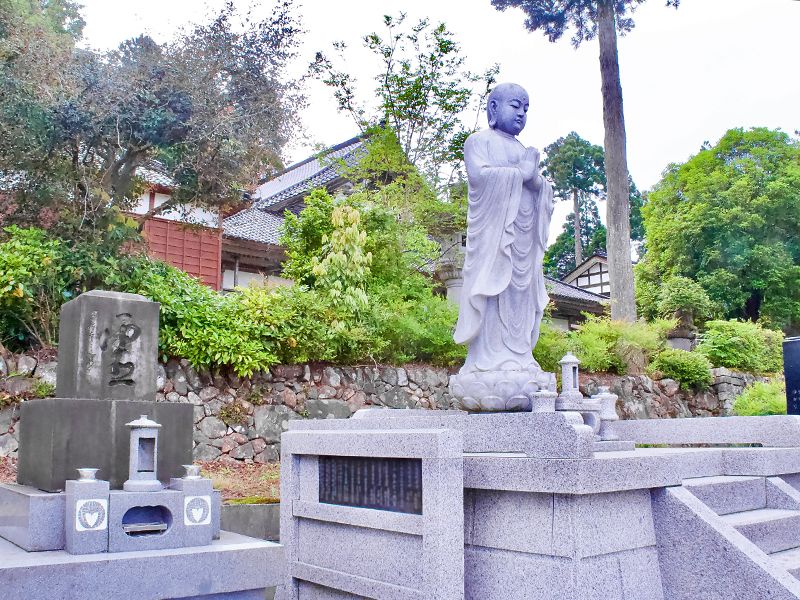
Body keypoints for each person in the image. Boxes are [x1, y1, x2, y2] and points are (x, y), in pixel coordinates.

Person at [454, 82, 554, 375]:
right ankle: (487, 361)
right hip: (494, 239)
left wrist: (536, 182)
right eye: (515, 106)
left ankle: (521, 356)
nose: (522, 113)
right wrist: (520, 173)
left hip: (523, 240)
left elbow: (540, 190)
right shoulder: (478, 142)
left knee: (521, 296)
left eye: (526, 109)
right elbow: (479, 177)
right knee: (493, 290)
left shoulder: (523, 150)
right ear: (494, 108)